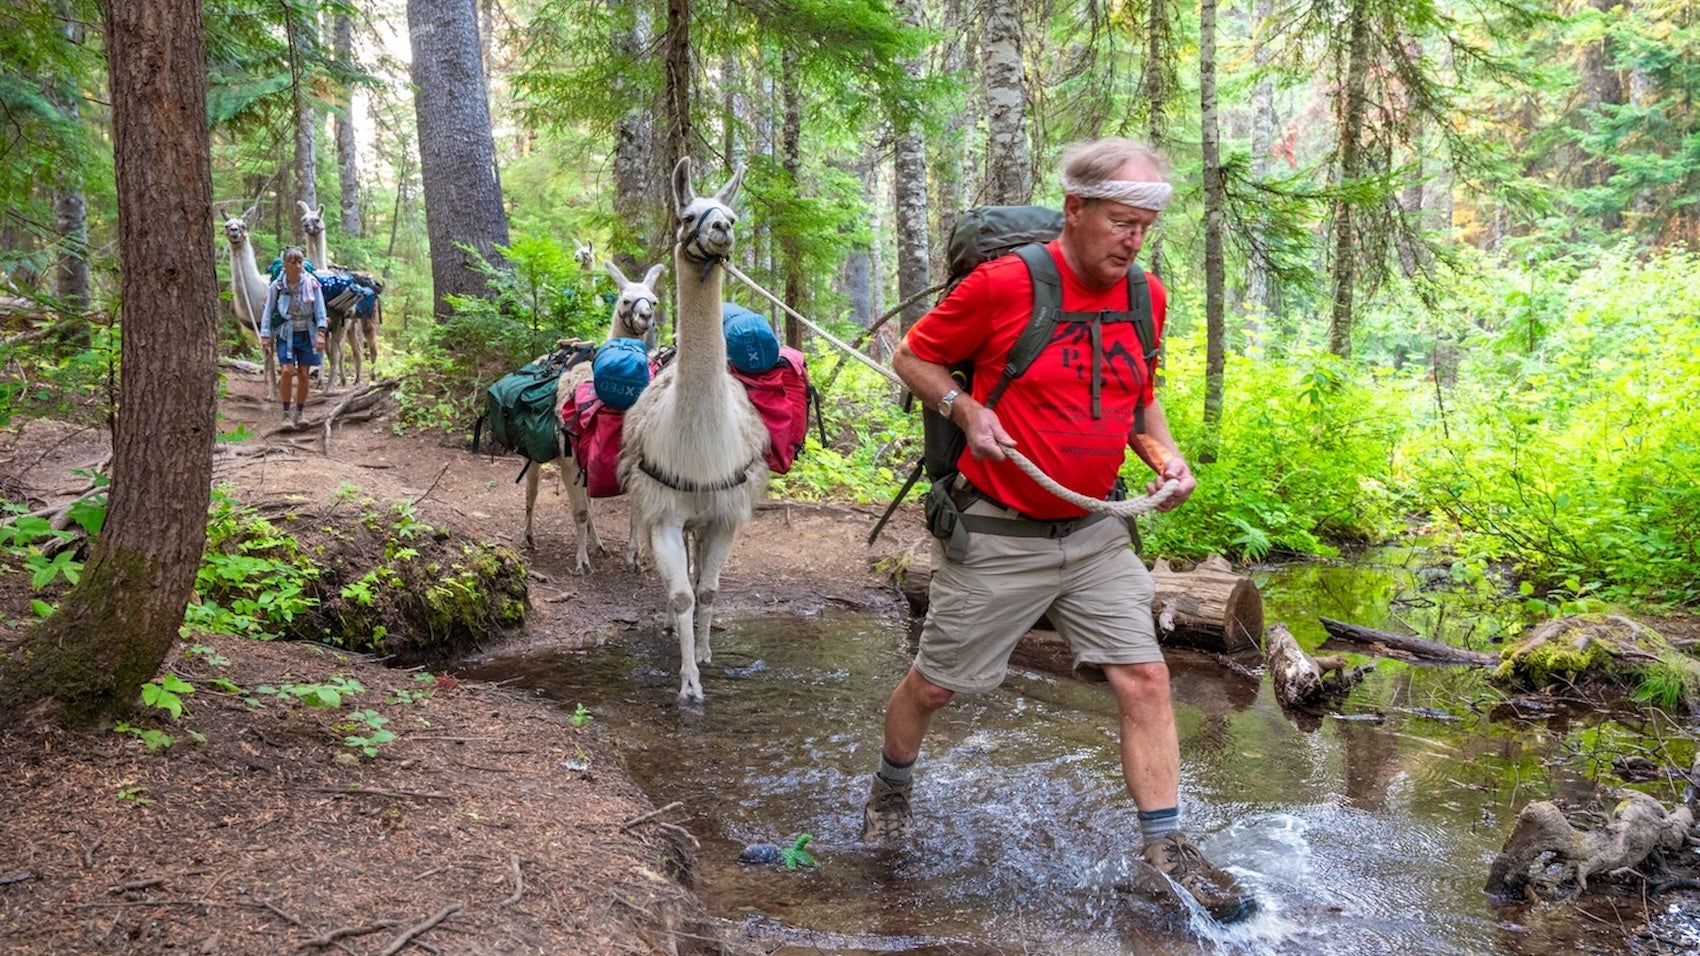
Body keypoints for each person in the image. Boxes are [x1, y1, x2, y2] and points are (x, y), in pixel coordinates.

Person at [861, 138, 1254, 923]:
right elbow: (914, 358)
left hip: (1094, 530)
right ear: (1075, 210)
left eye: (1145, 224)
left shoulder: (1148, 296)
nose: (1133, 238)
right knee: (936, 686)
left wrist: (1165, 456)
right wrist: (965, 409)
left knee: (1146, 676)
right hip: (997, 531)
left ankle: (1163, 848)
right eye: (1119, 221)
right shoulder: (1004, 285)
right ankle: (890, 789)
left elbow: (1139, 399)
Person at [260, 246, 328, 426]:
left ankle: (299, 412)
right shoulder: (278, 286)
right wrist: (265, 335)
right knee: (287, 371)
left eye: (300, 262)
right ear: (285, 265)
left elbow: (320, 310)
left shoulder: (312, 284)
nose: (297, 266)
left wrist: (321, 333)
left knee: (305, 374)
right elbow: (268, 311)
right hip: (286, 333)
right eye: (293, 262)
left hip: (307, 332)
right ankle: (285, 414)